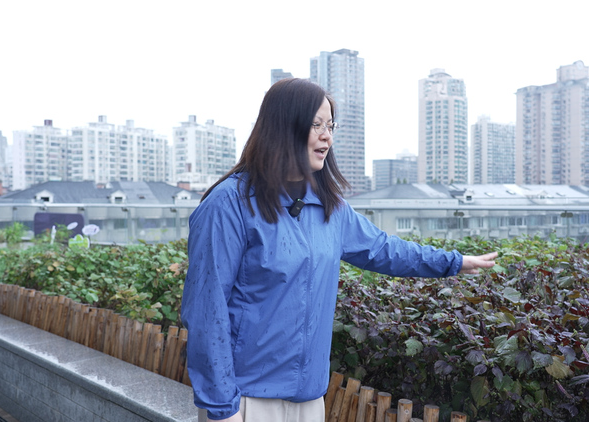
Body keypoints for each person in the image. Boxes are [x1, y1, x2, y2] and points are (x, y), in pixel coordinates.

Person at [181, 78, 497, 422]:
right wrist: (221, 409)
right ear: (283, 127)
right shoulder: (230, 204)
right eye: (316, 124)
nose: (327, 136)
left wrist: (453, 262)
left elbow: (384, 249)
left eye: (330, 126)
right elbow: (206, 312)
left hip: (309, 400)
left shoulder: (328, 206)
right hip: (246, 401)